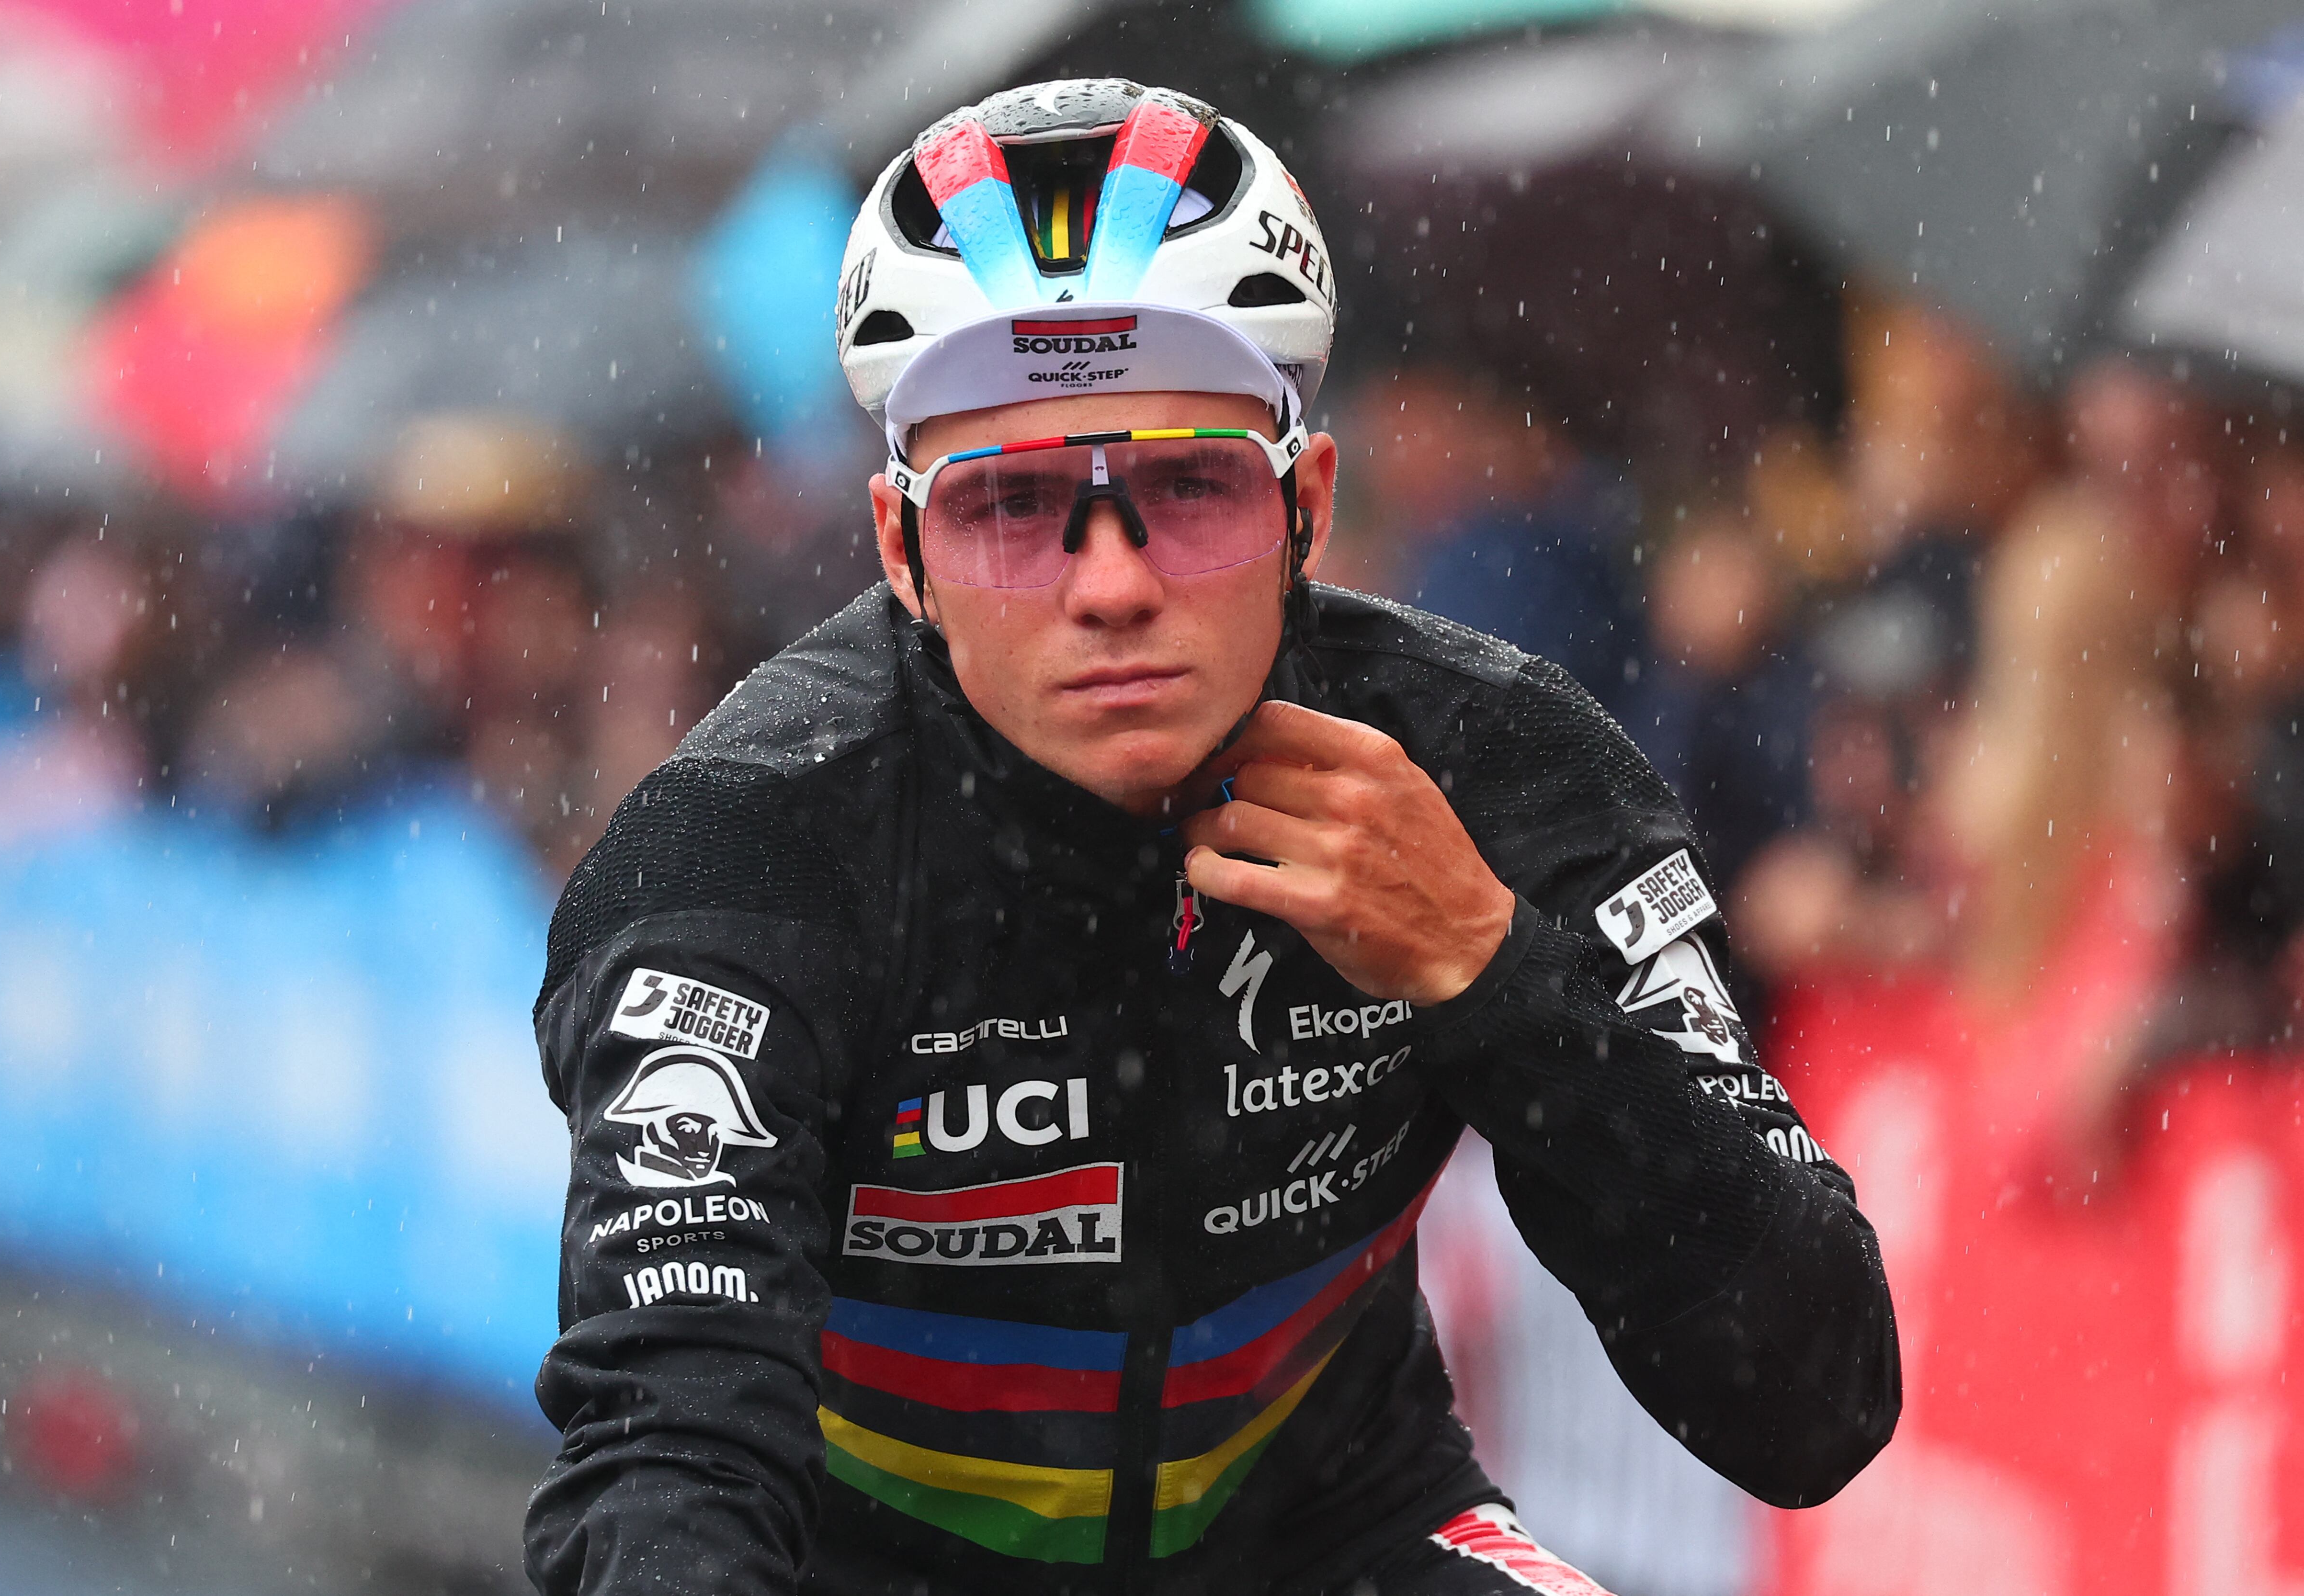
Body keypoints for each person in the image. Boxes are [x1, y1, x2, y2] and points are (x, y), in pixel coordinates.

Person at [524, 79, 1899, 1596]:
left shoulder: (1495, 765)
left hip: (1343, 1546)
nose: (1109, 585)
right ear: (899, 550)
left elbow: (1815, 1400)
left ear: (1307, 502)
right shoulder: (745, 849)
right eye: (1012, 503)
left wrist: (1497, 974)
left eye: (1188, 485)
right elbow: (667, 1457)